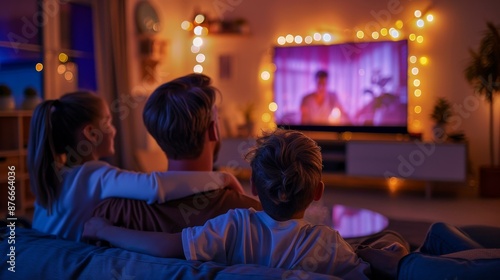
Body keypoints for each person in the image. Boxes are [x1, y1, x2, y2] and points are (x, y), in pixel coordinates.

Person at [84, 129, 370, 279]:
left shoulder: (234, 224)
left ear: (254, 187)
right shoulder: (328, 244)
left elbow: (167, 246)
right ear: (317, 192)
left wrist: (104, 230)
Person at [28, 91, 243, 242]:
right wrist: (220, 178)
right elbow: (155, 186)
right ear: (91, 134)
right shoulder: (92, 174)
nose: (114, 130)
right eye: (108, 121)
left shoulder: (55, 176)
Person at [91, 74, 261, 233]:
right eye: (217, 120)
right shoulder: (252, 216)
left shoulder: (113, 213)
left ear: (158, 136)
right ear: (213, 130)